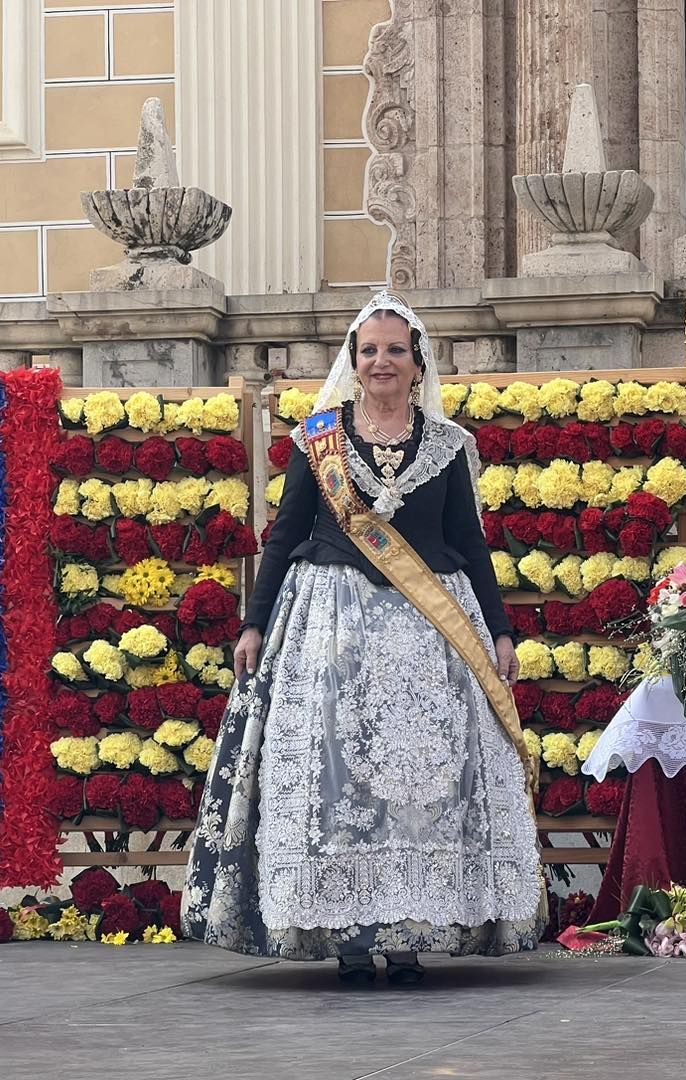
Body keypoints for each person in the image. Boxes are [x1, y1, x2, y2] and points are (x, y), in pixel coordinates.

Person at [183, 291, 542, 985]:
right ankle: (346, 936)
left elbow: (469, 544)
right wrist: (255, 622)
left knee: (426, 783)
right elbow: (284, 534)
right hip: (330, 629)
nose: (382, 361)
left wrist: (499, 631)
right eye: (369, 350)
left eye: (395, 350)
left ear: (418, 363)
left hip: (431, 638)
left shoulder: (449, 446)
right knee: (335, 778)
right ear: (353, 361)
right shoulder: (318, 438)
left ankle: (409, 930)